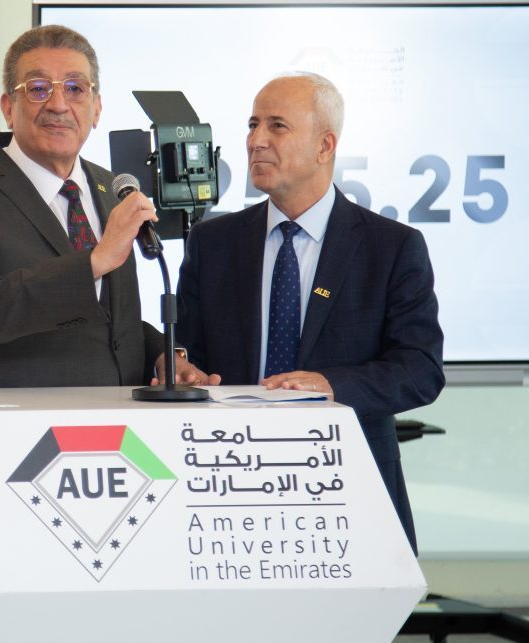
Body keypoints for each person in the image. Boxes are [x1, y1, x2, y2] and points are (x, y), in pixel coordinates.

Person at [176, 72, 444, 551]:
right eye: (253, 124)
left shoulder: (392, 247)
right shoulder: (212, 242)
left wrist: (332, 386)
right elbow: (188, 351)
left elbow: (421, 370)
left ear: (325, 146)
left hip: (350, 491)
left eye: (277, 126)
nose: (256, 140)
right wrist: (179, 365)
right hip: (228, 491)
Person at [0, 25, 193, 389]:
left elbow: (107, 316)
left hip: (119, 419)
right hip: (13, 420)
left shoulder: (113, 189)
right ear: (8, 108)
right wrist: (94, 261)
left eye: (75, 89)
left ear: (97, 108)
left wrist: (161, 353)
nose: (59, 105)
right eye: (38, 89)